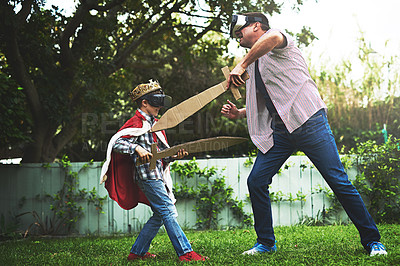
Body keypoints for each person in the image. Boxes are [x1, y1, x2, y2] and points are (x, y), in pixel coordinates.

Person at [221, 12, 387, 257]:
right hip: (281, 131)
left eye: (240, 32)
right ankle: (265, 243)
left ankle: (373, 241)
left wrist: (242, 63)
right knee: (256, 180)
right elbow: (273, 100)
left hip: (309, 122)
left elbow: (274, 36)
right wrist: (240, 113)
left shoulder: (277, 40)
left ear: (256, 26)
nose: (238, 39)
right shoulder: (256, 63)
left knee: (339, 182)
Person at [100, 80, 207, 262]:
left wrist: (174, 155)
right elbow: (115, 142)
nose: (160, 106)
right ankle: (185, 252)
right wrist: (136, 148)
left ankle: (137, 252)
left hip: (157, 175)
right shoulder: (135, 123)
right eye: (156, 101)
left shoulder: (156, 124)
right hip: (146, 176)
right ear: (144, 102)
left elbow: (161, 154)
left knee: (159, 214)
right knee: (167, 210)